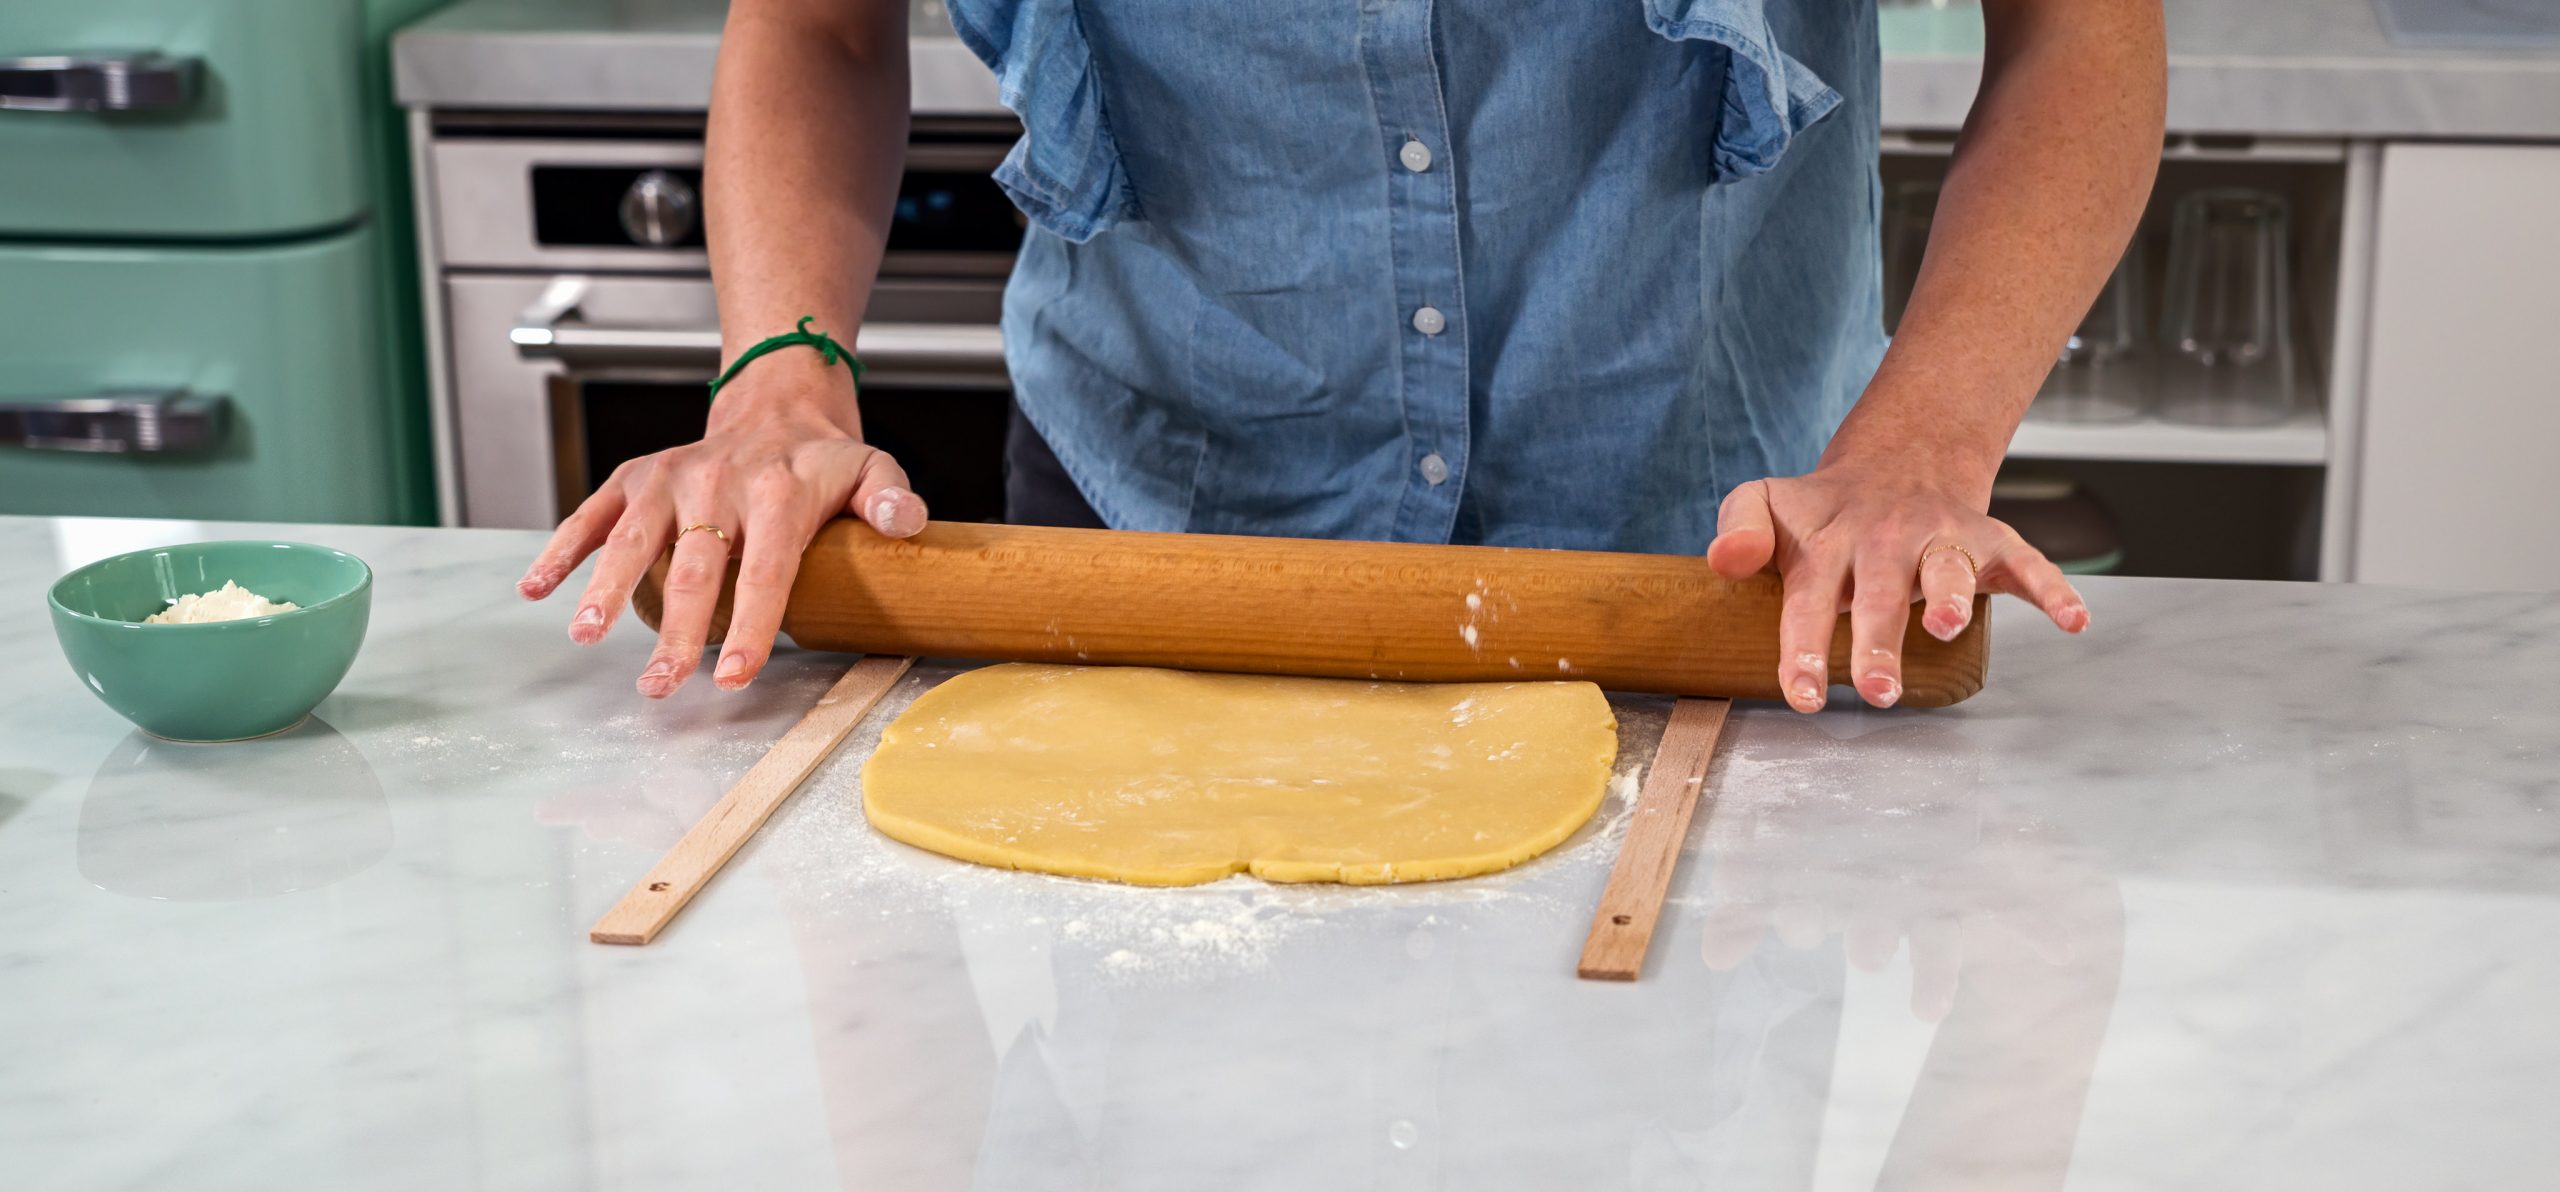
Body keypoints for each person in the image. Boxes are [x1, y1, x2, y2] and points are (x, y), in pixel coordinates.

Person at [518, 0, 2163, 712]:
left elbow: (2084, 32)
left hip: (1728, 572)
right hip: (1140, 546)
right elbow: (814, 25)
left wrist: (1924, 442)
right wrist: (780, 372)